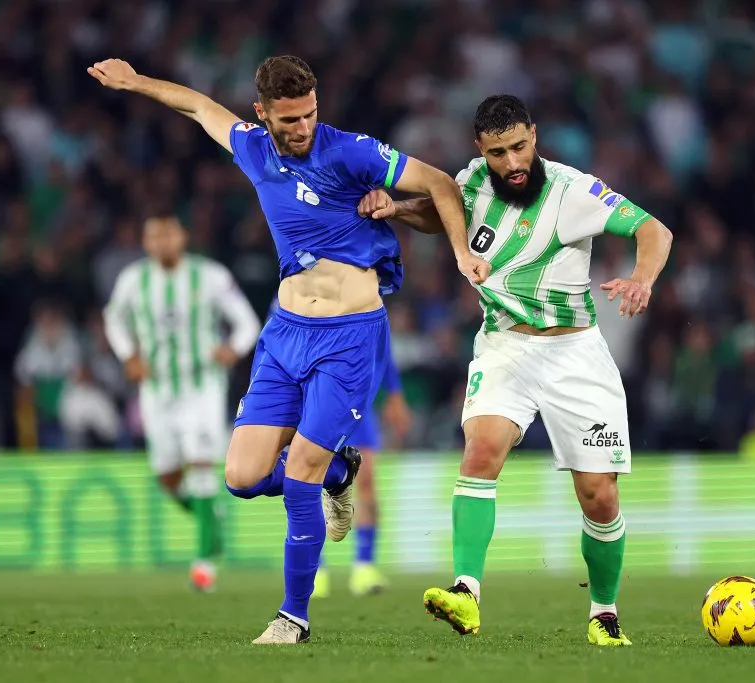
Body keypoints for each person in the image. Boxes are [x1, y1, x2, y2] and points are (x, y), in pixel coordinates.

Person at [88, 55, 488, 644]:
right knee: (241, 476)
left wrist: (459, 253)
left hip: (348, 335)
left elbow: (441, 184)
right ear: (262, 114)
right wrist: (135, 82)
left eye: (309, 114)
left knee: (298, 474)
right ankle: (338, 471)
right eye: (289, 119)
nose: (302, 127)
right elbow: (197, 106)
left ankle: (292, 617)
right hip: (284, 334)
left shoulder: (350, 151)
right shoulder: (253, 150)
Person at [357, 95, 673, 646]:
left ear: (535, 135)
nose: (512, 162)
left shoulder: (573, 191)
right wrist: (398, 209)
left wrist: (641, 278)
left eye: (519, 147)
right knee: (480, 451)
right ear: (481, 149)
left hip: (575, 353)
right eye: (498, 153)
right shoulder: (473, 181)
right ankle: (466, 591)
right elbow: (445, 214)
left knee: (599, 496)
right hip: (504, 345)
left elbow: (655, 231)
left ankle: (604, 614)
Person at [103, 213, 261, 592]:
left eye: (168, 234)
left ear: (182, 237)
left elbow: (247, 322)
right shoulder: (133, 280)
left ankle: (204, 566)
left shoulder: (210, 276)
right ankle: (212, 522)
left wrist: (233, 349)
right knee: (168, 477)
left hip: (202, 386)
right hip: (156, 390)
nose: (162, 242)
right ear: (145, 242)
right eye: (154, 236)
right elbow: (113, 319)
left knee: (202, 463)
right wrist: (128, 355)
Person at [313, 351, 411, 598]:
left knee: (365, 480)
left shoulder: (370, 322)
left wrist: (395, 394)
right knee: (310, 481)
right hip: (318, 399)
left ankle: (364, 567)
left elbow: (382, 347)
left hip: (357, 402)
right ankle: (314, 569)